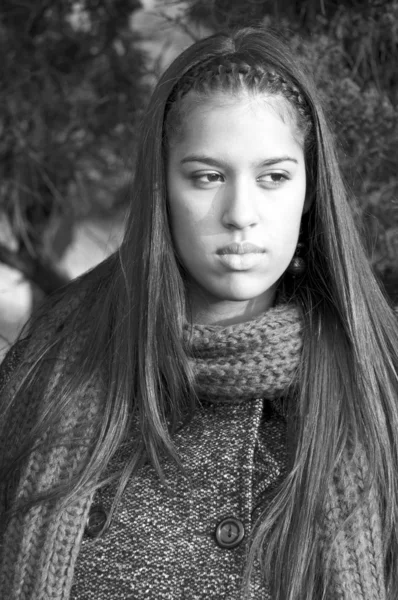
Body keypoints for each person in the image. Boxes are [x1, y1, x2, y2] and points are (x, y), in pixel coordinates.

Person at [0, 26, 397, 600]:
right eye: (207, 176)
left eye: (274, 177)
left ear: (309, 193)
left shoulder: (376, 386)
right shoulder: (52, 369)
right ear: (162, 185)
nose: (240, 213)